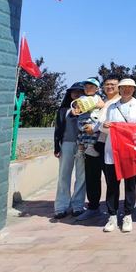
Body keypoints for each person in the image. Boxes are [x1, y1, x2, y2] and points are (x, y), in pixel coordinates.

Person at [100, 78, 136, 233]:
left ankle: (128, 215)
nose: (126, 90)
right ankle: (112, 216)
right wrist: (105, 126)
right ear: (119, 89)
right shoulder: (111, 106)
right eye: (123, 87)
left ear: (134, 89)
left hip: (130, 151)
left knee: (130, 185)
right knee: (112, 185)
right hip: (112, 151)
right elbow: (102, 126)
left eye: (130, 87)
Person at [75, 74, 120, 222]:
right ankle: (93, 207)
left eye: (113, 84)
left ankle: (113, 211)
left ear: (119, 86)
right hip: (94, 143)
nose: (110, 87)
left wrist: (93, 128)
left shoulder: (121, 103)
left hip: (111, 145)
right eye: (107, 84)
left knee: (111, 180)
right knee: (92, 177)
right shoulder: (98, 100)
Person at [53, 82, 87, 219]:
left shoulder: (88, 110)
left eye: (80, 92)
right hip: (66, 144)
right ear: (70, 94)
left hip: (82, 145)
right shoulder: (63, 110)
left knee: (81, 176)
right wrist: (56, 147)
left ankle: (78, 205)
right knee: (63, 175)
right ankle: (61, 206)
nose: (77, 94)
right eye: (74, 92)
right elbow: (57, 130)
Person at [72, 77, 105, 158]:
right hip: (84, 120)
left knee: (88, 133)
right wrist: (75, 110)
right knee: (83, 134)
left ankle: (87, 148)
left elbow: (102, 104)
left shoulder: (97, 97)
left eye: (91, 87)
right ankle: (83, 150)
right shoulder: (82, 97)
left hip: (91, 119)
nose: (88, 89)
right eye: (86, 87)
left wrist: (94, 105)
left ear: (97, 89)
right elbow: (76, 107)